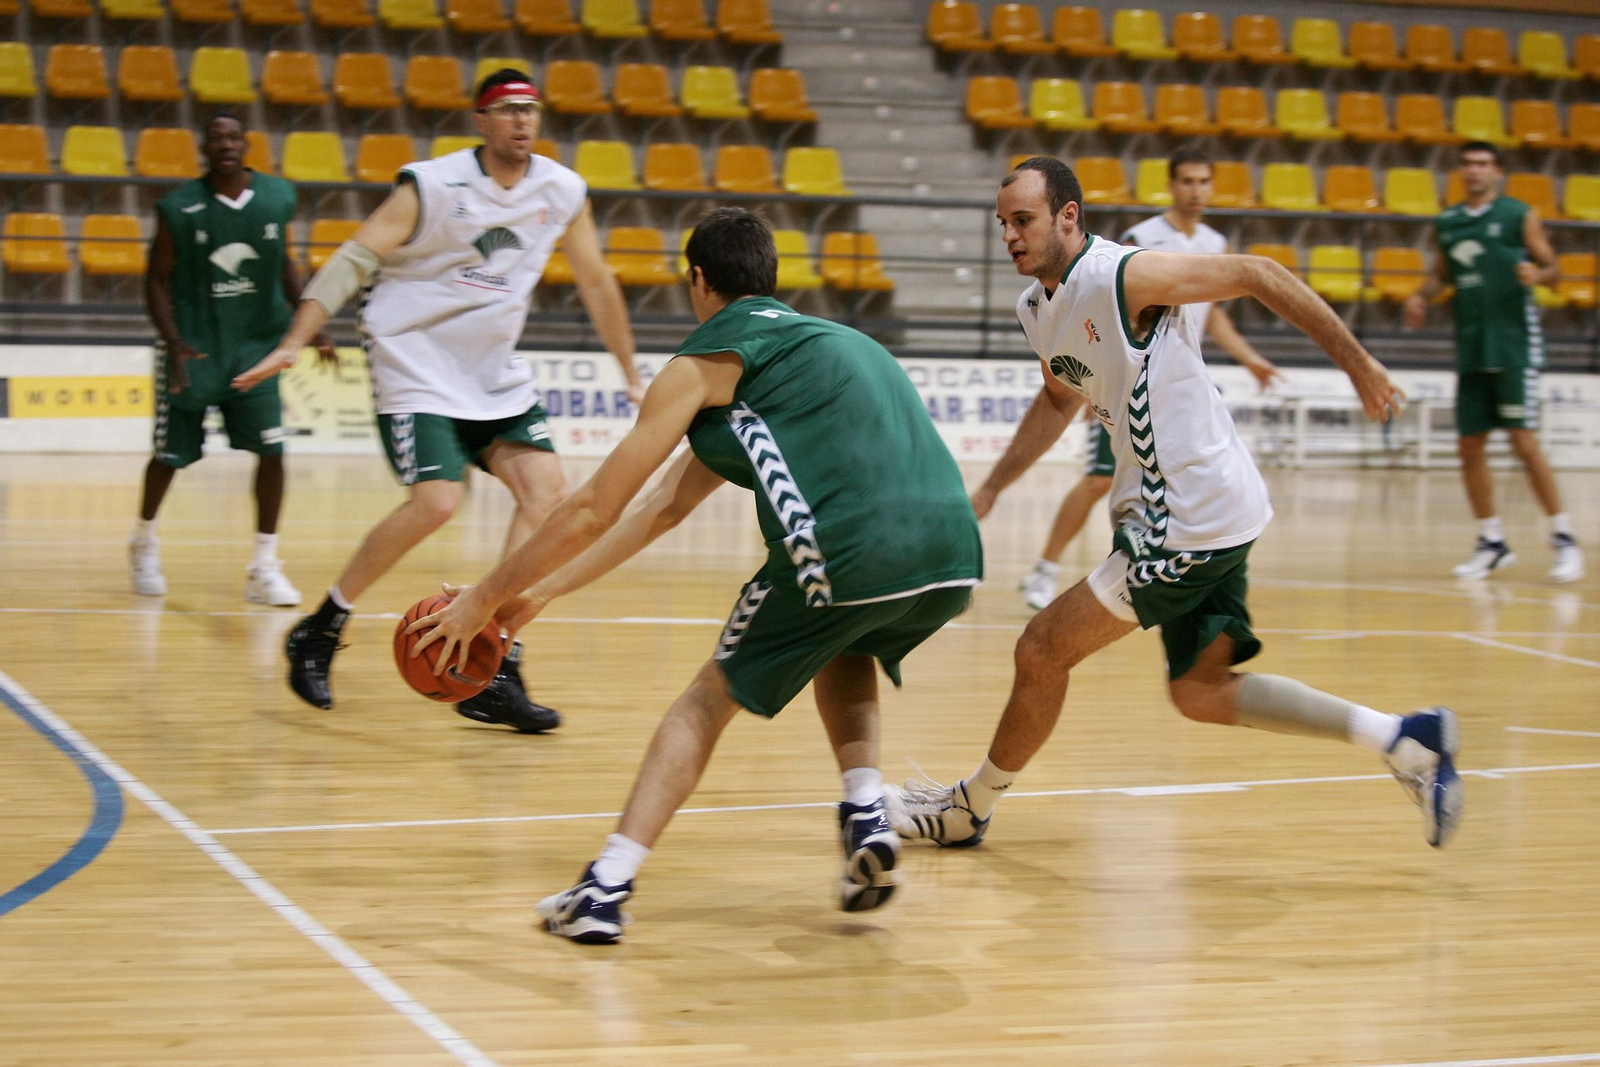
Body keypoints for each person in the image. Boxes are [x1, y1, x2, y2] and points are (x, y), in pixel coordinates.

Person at [406, 208, 984, 943]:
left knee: (706, 700)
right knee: (845, 637)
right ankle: (866, 807)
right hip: (953, 555)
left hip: (848, 549)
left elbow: (593, 507)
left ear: (698, 281)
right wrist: (534, 596)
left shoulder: (702, 363)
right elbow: (660, 511)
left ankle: (605, 887)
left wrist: (481, 600)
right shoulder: (829, 342)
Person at [888, 157, 1463, 856]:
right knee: (1201, 689)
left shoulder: (1121, 276)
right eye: (1004, 223)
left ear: (1068, 216)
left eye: (1025, 220)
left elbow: (1258, 275)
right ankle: (1406, 738)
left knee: (1040, 649)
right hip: (1215, 506)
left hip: (1185, 518)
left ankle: (969, 808)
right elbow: (1057, 398)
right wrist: (990, 487)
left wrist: (1359, 362)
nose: (1010, 234)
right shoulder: (1036, 308)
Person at [231, 69, 645, 732]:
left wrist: (628, 370)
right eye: (507, 110)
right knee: (437, 501)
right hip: (413, 358)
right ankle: (321, 626)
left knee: (548, 494)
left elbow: (596, 281)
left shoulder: (561, 190)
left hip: (492, 372)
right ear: (481, 120)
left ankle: (497, 661)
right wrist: (294, 340)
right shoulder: (432, 184)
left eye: (530, 110)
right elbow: (354, 258)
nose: (521, 121)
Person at [1020, 147, 1284, 611]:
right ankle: (1044, 569)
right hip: (1126, 387)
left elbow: (1212, 316)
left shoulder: (1214, 241)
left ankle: (1124, 569)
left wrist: (1250, 358)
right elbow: (1098, 308)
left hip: (1172, 388)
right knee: (1097, 480)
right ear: (1171, 185)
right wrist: (1090, 388)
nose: (1195, 190)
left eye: (1204, 181)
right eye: (1187, 181)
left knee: (1112, 482)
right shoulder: (1142, 237)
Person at [129, 114, 334, 605]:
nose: (225, 144)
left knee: (272, 452)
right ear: (204, 146)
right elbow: (155, 278)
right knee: (169, 457)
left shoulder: (277, 197)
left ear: (247, 144)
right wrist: (173, 341)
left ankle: (264, 565)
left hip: (255, 349)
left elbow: (284, 262)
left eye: (233, 137)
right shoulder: (179, 207)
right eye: (215, 137)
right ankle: (143, 542)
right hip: (195, 350)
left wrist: (314, 326)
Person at [1404, 141, 1583, 584]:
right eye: (1467, 164)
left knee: (1523, 442)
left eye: (1483, 164)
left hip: (1513, 346)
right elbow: (1441, 276)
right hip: (1471, 346)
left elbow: (1554, 268)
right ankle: (1491, 541)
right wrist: (1417, 296)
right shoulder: (1448, 222)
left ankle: (1563, 537)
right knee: (1469, 447)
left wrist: (1539, 275)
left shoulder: (1518, 215)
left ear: (1497, 171)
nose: (1474, 171)